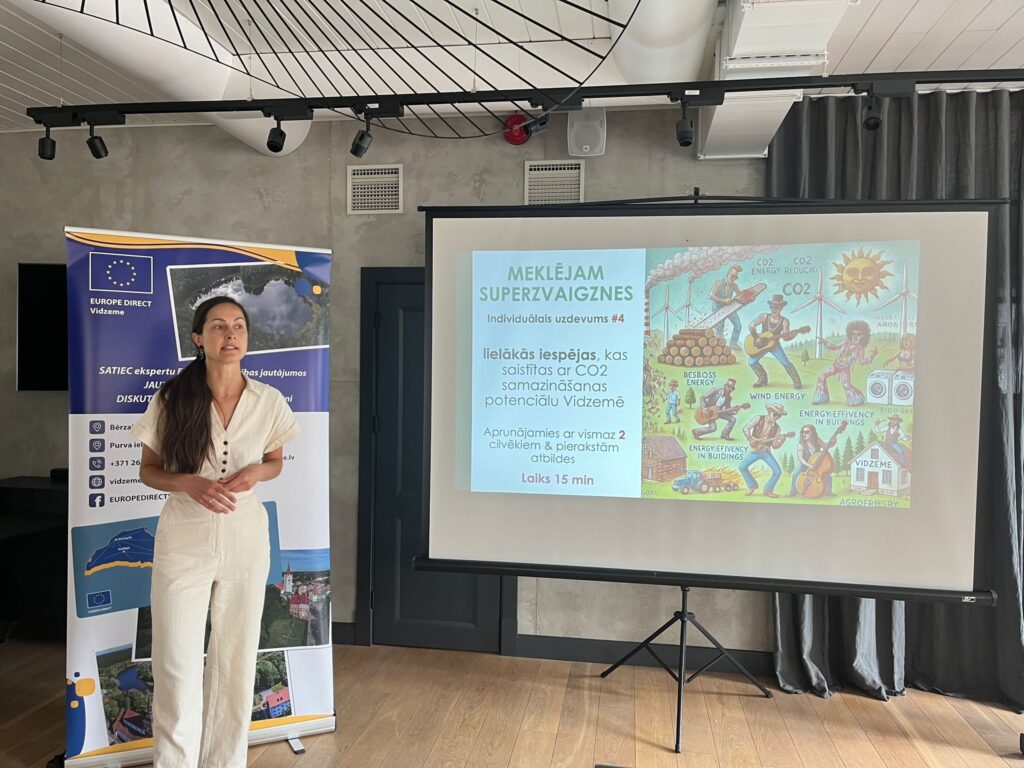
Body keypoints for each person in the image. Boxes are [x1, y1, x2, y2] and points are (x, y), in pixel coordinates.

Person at [132, 297, 300, 768]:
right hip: (183, 539)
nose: (231, 334)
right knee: (176, 662)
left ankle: (224, 762)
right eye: (219, 326)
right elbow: (148, 470)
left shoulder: (269, 400)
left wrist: (255, 473)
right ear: (198, 338)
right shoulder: (172, 398)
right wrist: (188, 482)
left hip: (246, 539)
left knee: (236, 659)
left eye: (239, 326)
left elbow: (275, 461)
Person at [813, 319, 878, 406]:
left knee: (846, 385)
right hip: (835, 366)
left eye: (858, 334)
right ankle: (821, 398)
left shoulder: (860, 348)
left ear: (863, 336)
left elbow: (862, 361)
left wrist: (872, 357)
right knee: (821, 377)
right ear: (850, 334)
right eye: (853, 334)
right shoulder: (847, 342)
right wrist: (825, 342)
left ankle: (857, 400)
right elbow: (835, 347)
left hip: (845, 369)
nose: (855, 337)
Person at [747, 294, 803, 389]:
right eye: (772, 307)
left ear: (781, 308)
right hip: (762, 345)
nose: (774, 309)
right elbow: (751, 325)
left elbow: (785, 338)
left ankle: (797, 382)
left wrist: (793, 335)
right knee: (751, 362)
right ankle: (762, 380)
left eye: (777, 307)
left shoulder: (785, 321)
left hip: (775, 345)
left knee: (786, 362)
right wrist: (756, 338)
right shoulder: (764, 316)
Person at [738, 404, 793, 497]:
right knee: (742, 467)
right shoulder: (758, 418)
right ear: (770, 412)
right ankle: (752, 486)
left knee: (777, 471)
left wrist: (781, 440)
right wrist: (750, 439)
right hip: (755, 451)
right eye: (775, 414)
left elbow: (774, 446)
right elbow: (746, 428)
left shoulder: (777, 428)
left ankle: (768, 490)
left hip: (766, 452)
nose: (776, 417)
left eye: (779, 416)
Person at [789, 424, 839, 497]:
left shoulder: (817, 440)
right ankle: (793, 491)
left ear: (811, 433)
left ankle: (829, 492)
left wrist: (833, 441)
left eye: (806, 432)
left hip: (817, 463)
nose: (804, 434)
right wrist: (809, 465)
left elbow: (826, 446)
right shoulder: (801, 443)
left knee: (828, 476)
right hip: (806, 463)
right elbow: (801, 458)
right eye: (802, 432)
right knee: (795, 474)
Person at [709, 264, 746, 349]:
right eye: (732, 276)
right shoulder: (719, 283)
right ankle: (719, 347)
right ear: (728, 273)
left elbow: (740, 294)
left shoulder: (734, 286)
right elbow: (711, 295)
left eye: (736, 277)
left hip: (728, 307)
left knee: (738, 325)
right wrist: (723, 301)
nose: (733, 278)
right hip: (718, 307)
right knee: (719, 328)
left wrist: (749, 296)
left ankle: (733, 344)